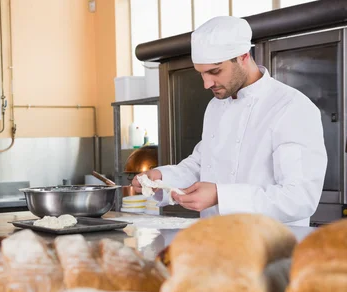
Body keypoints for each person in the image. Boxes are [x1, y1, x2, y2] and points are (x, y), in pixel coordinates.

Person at [132, 16, 327, 226]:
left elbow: (299, 198)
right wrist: (162, 177)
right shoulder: (216, 106)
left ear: (243, 56)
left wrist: (221, 195)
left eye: (215, 71)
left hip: (272, 249)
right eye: (201, 74)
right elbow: (202, 163)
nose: (207, 83)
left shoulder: (291, 107)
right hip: (217, 241)